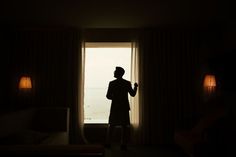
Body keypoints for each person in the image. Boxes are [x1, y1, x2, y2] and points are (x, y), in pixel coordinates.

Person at [105, 66, 138, 150]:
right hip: (124, 107)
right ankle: (123, 144)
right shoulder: (127, 83)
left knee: (112, 125)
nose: (114, 73)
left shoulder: (112, 83)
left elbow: (108, 96)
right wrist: (135, 87)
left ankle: (108, 143)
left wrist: (115, 98)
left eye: (115, 72)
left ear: (118, 73)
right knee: (124, 126)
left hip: (115, 107)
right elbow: (133, 94)